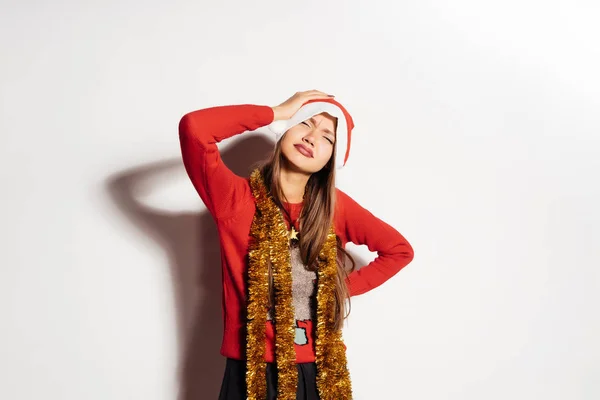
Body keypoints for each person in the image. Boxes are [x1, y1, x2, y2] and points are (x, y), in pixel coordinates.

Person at [178, 90, 415, 400]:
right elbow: (195, 128)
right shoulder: (234, 198)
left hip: (319, 372)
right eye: (305, 122)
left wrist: (336, 288)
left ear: (332, 158)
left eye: (327, 137)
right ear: (287, 129)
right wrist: (276, 111)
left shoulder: (334, 208)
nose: (312, 137)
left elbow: (399, 251)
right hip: (249, 371)